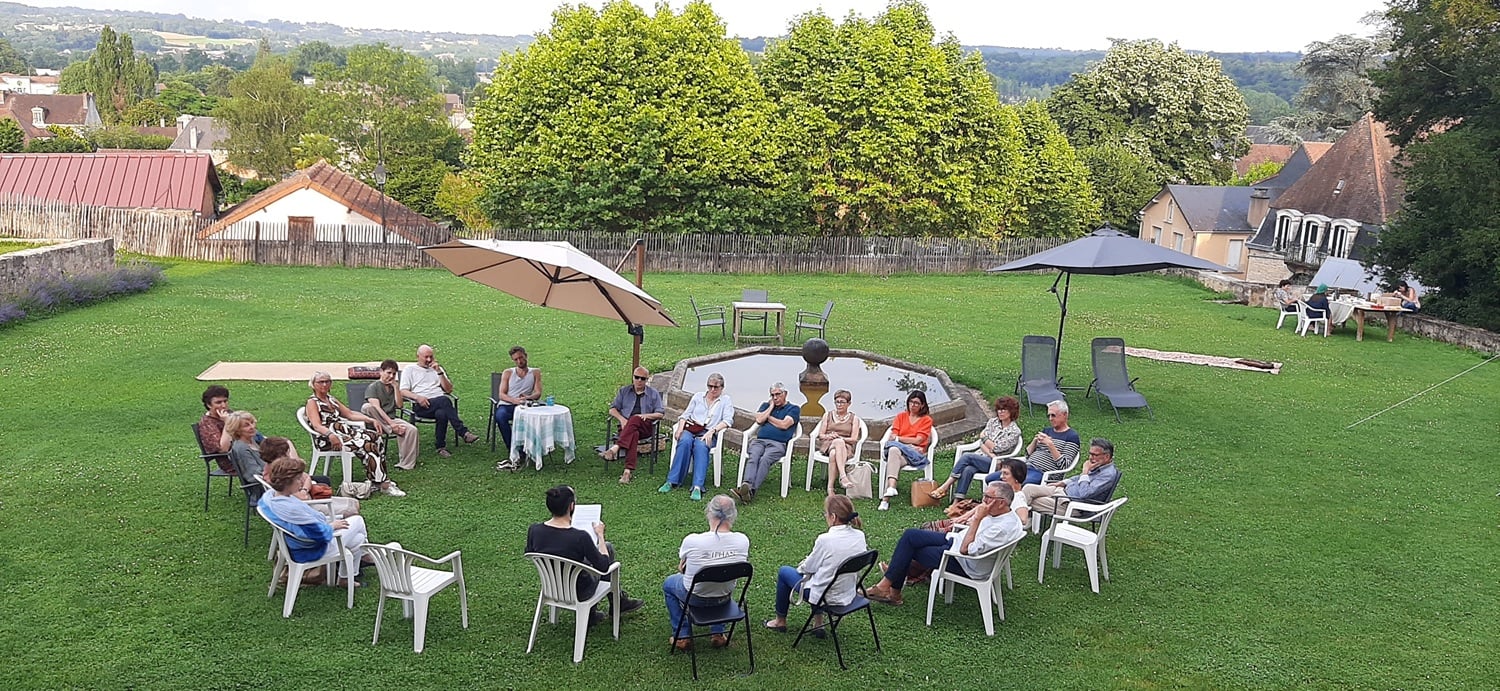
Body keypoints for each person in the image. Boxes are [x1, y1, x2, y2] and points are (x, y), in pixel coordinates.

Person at [865, 481, 1024, 606]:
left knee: (909, 549)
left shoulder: (1001, 528)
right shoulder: (1004, 515)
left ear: (1002, 502)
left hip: (964, 563)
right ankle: (890, 587)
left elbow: (965, 550)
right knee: (910, 535)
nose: (983, 501)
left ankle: (891, 590)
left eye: (988, 498)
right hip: (955, 541)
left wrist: (977, 518)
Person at [525, 485, 644, 626]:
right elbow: (604, 566)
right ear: (571, 506)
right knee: (608, 548)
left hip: (551, 586)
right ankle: (615, 603)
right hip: (580, 591)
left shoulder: (534, 530)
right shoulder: (580, 537)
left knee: (587, 559)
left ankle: (606, 608)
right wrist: (600, 535)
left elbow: (530, 551)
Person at [259, 456, 372, 586]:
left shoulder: (271, 498)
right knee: (358, 520)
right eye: (298, 480)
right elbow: (317, 534)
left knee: (357, 539)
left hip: (295, 544)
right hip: (312, 549)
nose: (301, 483)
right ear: (288, 482)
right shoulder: (291, 509)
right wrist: (331, 526)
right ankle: (364, 556)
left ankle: (345, 578)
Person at [763, 495, 867, 634]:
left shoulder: (826, 540)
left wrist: (803, 564)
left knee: (785, 572)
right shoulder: (859, 536)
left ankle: (780, 621)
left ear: (833, 517)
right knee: (822, 574)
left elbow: (808, 568)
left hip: (826, 597)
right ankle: (818, 623)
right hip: (848, 593)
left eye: (826, 513)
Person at [663, 494, 751, 650]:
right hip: (723, 597)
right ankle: (718, 633)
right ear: (733, 515)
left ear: (709, 512)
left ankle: (682, 635)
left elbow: (681, 568)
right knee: (721, 579)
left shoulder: (692, 541)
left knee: (669, 583)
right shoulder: (742, 540)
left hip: (695, 596)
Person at [306, 371, 404, 498]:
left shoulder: (331, 399)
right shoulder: (312, 402)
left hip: (344, 433)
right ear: (313, 384)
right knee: (367, 445)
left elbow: (349, 414)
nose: (324, 384)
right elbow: (316, 425)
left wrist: (370, 420)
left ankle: (377, 478)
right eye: (321, 382)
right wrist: (330, 434)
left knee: (376, 438)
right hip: (328, 439)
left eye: (327, 381)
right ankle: (384, 484)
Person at [930, 396, 1021, 502]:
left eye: (1004, 409)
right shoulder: (993, 422)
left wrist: (985, 441)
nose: (1000, 412)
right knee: (968, 469)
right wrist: (990, 451)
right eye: (999, 409)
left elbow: (997, 447)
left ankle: (946, 485)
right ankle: (957, 501)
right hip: (985, 457)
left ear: (1011, 411)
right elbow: (982, 443)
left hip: (997, 464)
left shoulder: (1014, 431)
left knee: (967, 456)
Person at [660, 373, 734, 502]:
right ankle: (672, 481)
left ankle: (697, 486)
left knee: (701, 446)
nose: (712, 390)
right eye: (710, 386)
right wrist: (680, 428)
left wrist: (712, 431)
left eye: (716, 387)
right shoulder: (698, 397)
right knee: (684, 441)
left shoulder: (725, 400)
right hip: (692, 427)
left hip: (708, 431)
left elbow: (728, 421)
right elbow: (685, 415)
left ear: (722, 387)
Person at [399, 344, 480, 458]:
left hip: (439, 405)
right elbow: (403, 391)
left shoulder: (437, 369)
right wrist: (418, 397)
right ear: (418, 356)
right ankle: (463, 432)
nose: (429, 360)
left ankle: (440, 447)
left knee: (442, 413)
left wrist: (439, 372)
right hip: (422, 405)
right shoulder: (410, 369)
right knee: (444, 400)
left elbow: (448, 389)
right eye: (426, 357)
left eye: (431, 357)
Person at [732, 382, 801, 505]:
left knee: (765, 459)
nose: (775, 398)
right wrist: (770, 408)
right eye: (772, 395)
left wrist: (767, 417)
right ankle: (746, 485)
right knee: (753, 457)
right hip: (760, 441)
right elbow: (759, 419)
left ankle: (751, 491)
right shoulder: (766, 405)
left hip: (778, 444)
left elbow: (784, 425)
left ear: (785, 394)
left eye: (778, 394)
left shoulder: (793, 409)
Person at [258, 436, 359, 517]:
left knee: (354, 502)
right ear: (281, 455)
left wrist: (304, 490)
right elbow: (300, 499)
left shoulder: (283, 468)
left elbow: (307, 478)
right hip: (307, 508)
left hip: (310, 499)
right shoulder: (277, 475)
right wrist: (304, 493)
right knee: (352, 510)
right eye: (287, 452)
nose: (289, 454)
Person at [1022, 437, 1121, 519]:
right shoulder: (1099, 465)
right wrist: (1063, 482)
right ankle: (1016, 520)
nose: (1091, 458)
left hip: (1070, 504)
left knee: (1033, 501)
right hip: (1062, 491)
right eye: (1090, 454)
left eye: (1095, 455)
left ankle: (1015, 525)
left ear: (1107, 456)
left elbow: (1084, 493)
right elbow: (1080, 478)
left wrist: (1085, 472)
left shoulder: (1107, 475)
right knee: (1028, 488)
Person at [993, 399, 1081, 486]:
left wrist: (1050, 445)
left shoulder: (1071, 436)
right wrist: (1035, 441)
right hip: (1026, 467)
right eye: (1049, 416)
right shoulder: (1047, 431)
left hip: (1043, 472)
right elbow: (1027, 454)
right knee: (991, 479)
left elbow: (1065, 465)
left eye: (1053, 415)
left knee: (1019, 483)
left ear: (1065, 415)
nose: (1050, 419)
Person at [601, 366, 665, 485]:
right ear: (633, 377)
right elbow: (612, 409)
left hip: (645, 427)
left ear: (647, 380)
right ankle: (627, 472)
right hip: (626, 427)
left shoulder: (653, 394)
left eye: (642, 378)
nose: (639, 381)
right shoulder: (624, 391)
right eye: (636, 377)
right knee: (633, 434)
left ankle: (615, 448)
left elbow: (660, 414)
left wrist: (647, 415)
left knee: (635, 418)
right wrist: (621, 419)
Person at [878, 390, 934, 511]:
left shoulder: (926, 420)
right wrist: (908, 444)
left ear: (922, 405)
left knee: (894, 449)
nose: (913, 405)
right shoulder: (901, 416)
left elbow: (919, 440)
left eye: (916, 403)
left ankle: (885, 499)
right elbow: (892, 437)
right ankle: (889, 491)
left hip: (915, 455)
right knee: (893, 451)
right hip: (901, 454)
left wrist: (900, 440)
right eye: (911, 402)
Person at [361, 359, 420, 471]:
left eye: (394, 374)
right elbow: (377, 408)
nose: (391, 376)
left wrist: (396, 388)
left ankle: (406, 464)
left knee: (412, 430)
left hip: (391, 419)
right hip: (376, 420)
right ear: (381, 372)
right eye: (388, 373)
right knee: (368, 407)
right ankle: (390, 428)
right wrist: (391, 425)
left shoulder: (393, 388)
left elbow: (400, 405)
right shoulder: (373, 387)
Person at [493, 345, 544, 455]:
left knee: (536, 417)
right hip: (507, 404)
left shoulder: (535, 372)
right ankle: (514, 447)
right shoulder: (508, 372)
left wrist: (527, 398)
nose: (519, 361)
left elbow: (538, 393)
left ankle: (533, 446)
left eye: (521, 358)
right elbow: (501, 394)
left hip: (525, 405)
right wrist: (514, 400)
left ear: (526, 356)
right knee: (500, 416)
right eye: (516, 359)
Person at [197, 384, 260, 466]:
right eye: (218, 402)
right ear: (209, 405)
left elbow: (250, 431)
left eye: (225, 401)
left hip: (250, 451)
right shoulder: (207, 423)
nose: (223, 405)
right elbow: (223, 449)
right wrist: (227, 423)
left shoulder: (230, 413)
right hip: (232, 460)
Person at [815, 389, 863, 496]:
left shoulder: (854, 419)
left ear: (849, 404)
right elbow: (821, 435)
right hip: (828, 444)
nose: (839, 404)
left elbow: (854, 439)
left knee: (834, 453)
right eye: (837, 402)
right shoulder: (827, 415)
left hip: (846, 447)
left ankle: (830, 488)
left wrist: (841, 438)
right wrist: (829, 436)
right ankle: (843, 476)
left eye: (842, 402)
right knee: (837, 443)